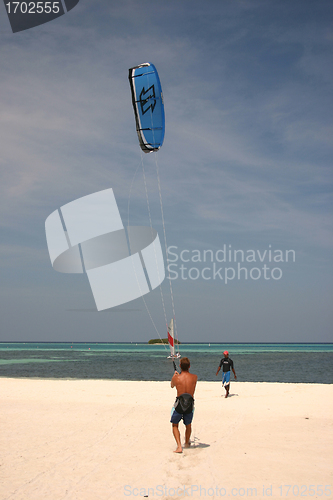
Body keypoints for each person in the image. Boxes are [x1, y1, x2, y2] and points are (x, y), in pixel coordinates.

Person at [170, 357, 198, 453]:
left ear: (180, 366)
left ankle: (179, 446)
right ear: (189, 366)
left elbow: (172, 385)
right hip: (190, 403)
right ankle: (186, 443)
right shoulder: (195, 377)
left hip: (179, 404)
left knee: (174, 425)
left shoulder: (176, 378)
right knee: (188, 424)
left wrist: (175, 376)